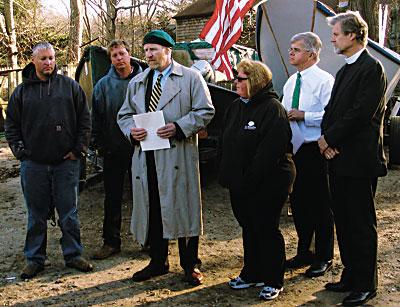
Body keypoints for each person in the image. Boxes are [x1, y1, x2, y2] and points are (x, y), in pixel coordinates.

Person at [117, 30, 215, 286]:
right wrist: (131, 131)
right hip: (147, 155)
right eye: (146, 50)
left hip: (177, 154)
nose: (148, 55)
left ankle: (190, 264)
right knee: (154, 207)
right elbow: (124, 115)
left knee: (183, 207)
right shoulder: (138, 82)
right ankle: (158, 261)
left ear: (168, 51)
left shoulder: (191, 78)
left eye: (154, 50)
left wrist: (179, 127)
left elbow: (206, 110)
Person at [5, 42, 93, 279]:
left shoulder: (70, 88)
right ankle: (35, 259)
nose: (49, 63)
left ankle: (73, 255)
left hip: (66, 163)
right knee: (36, 215)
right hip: (33, 164)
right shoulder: (22, 92)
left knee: (69, 213)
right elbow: (11, 125)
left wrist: (78, 150)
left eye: (52, 58)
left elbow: (85, 121)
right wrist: (20, 151)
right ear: (33, 61)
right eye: (43, 58)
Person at [318, 11, 387, 306]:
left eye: (335, 33)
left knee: (360, 222)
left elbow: (360, 114)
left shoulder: (372, 69)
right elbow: (332, 111)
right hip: (338, 158)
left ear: (352, 35)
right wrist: (326, 141)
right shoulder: (346, 69)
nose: (332, 39)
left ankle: (365, 283)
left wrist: (329, 140)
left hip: (358, 160)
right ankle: (350, 275)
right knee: (343, 221)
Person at [219, 59, 296, 300]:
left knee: (265, 228)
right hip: (240, 182)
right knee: (249, 226)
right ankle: (252, 273)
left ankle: (273, 278)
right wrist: (228, 174)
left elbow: (270, 152)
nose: (235, 82)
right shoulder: (236, 107)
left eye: (240, 78)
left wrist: (248, 179)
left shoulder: (272, 108)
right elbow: (226, 141)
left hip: (267, 181)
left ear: (254, 81)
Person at [282, 32, 335, 277]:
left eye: (297, 49)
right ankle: (305, 251)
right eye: (291, 48)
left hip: (315, 149)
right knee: (299, 203)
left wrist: (305, 116)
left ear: (312, 53)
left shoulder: (325, 81)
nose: (291, 53)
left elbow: (332, 115)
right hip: (294, 150)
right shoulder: (292, 81)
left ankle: (324, 256)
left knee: (320, 204)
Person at [91, 40, 142, 260]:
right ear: (110, 59)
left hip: (141, 149)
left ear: (130, 55)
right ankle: (111, 242)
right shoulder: (103, 85)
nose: (119, 58)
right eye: (114, 56)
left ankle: (149, 240)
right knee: (112, 198)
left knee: (145, 196)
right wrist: (99, 144)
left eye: (122, 53)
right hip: (113, 150)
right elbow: (97, 118)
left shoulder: (145, 80)